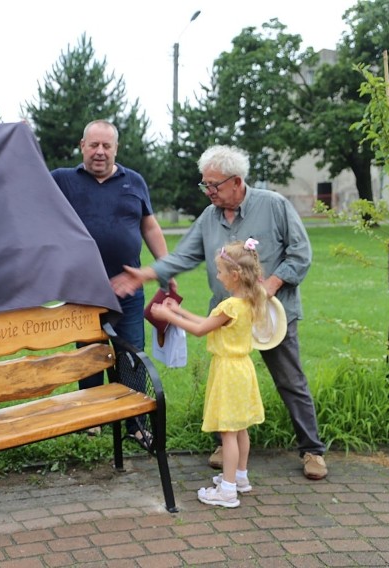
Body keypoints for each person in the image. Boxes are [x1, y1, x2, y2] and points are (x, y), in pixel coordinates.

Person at [111, 144, 328, 480]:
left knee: (290, 380)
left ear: (237, 182)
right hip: (227, 317)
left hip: (272, 316)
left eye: (214, 185)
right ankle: (226, 443)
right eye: (205, 185)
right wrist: (149, 273)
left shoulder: (273, 206)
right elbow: (184, 255)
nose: (208, 191)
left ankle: (312, 450)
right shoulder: (209, 217)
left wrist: (268, 287)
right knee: (226, 379)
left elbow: (300, 254)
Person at [50, 119, 171, 444]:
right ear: (82, 146)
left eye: (107, 146)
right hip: (82, 291)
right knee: (88, 356)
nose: (100, 152)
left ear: (116, 148)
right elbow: (27, 190)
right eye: (94, 145)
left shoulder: (134, 181)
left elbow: (150, 227)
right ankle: (93, 418)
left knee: (130, 353)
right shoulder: (62, 180)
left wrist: (165, 269)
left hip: (127, 289)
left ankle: (135, 423)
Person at [151, 239, 267, 507]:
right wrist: (178, 310)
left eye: (220, 272)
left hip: (228, 371)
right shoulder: (248, 301)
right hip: (243, 368)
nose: (217, 275)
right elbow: (207, 323)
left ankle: (227, 492)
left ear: (234, 276)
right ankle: (240, 478)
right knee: (240, 428)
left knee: (227, 431)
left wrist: (169, 316)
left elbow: (201, 329)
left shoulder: (230, 306)